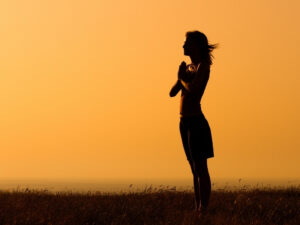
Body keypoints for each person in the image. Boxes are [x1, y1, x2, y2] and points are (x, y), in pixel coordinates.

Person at [169, 31, 218, 215]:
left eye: (186, 43)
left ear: (196, 46)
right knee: (193, 168)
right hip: (184, 122)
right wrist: (180, 75)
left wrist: (182, 77)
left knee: (201, 168)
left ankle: (203, 208)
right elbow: (172, 92)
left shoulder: (203, 67)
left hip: (197, 122)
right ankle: (197, 207)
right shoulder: (189, 68)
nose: (183, 46)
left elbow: (195, 89)